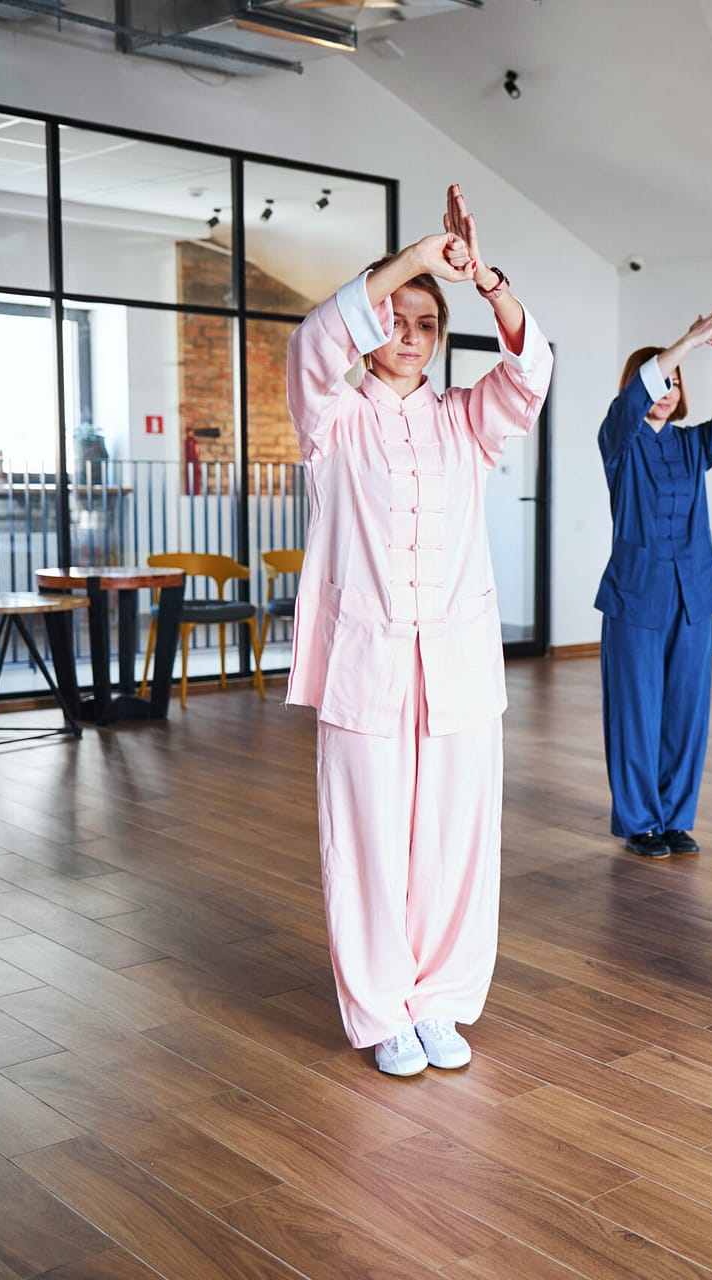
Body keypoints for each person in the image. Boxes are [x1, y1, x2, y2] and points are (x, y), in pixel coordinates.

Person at [284, 185, 552, 1076]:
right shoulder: (332, 416)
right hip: (367, 664)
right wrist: (410, 261)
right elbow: (309, 347)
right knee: (365, 840)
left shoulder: (463, 419)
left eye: (426, 322)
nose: (409, 332)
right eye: (394, 316)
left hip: (459, 669)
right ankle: (381, 1010)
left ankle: (439, 1001)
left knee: (456, 839)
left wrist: (483, 280)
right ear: (372, 324)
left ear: (442, 336)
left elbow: (531, 375)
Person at [595, 307, 712, 859]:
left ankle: (675, 818)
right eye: (662, 379)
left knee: (687, 712)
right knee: (636, 710)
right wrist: (684, 342)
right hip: (635, 595)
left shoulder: (692, 445)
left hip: (694, 596)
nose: (669, 388)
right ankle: (640, 822)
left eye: (677, 382)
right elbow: (632, 402)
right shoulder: (619, 439)